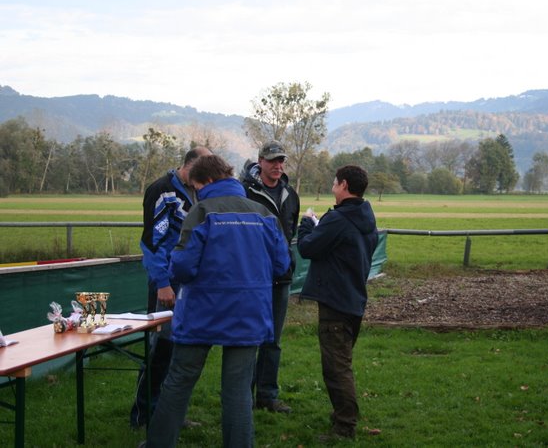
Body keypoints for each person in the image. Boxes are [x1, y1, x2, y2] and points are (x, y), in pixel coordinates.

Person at [142, 154, 290, 448]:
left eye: (196, 187)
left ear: (207, 181)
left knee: (179, 380)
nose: (196, 193)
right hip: (249, 313)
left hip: (201, 312)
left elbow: (183, 267)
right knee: (238, 390)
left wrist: (171, 270)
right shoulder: (264, 214)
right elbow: (282, 264)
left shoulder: (201, 212)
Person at [130, 146, 212, 429]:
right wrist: (162, 283)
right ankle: (144, 414)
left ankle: (172, 413)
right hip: (167, 282)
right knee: (160, 350)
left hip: (190, 281)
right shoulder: (161, 190)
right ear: (190, 165)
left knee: (181, 350)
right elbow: (152, 242)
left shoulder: (200, 191)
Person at [297, 165, 378, 440]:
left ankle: (345, 426)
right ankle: (342, 415)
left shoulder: (339, 219)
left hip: (336, 302)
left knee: (336, 367)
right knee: (341, 361)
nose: (332, 187)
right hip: (354, 298)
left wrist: (306, 224)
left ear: (344, 185)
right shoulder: (365, 216)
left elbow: (308, 247)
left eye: (334, 183)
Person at [240, 140, 300, 413]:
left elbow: (290, 231)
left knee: (273, 340)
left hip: (281, 276)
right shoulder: (245, 192)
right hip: (252, 277)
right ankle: (242, 396)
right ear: (260, 161)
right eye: (273, 160)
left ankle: (267, 395)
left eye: (281, 160)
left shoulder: (290, 194)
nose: (278, 165)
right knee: (249, 337)